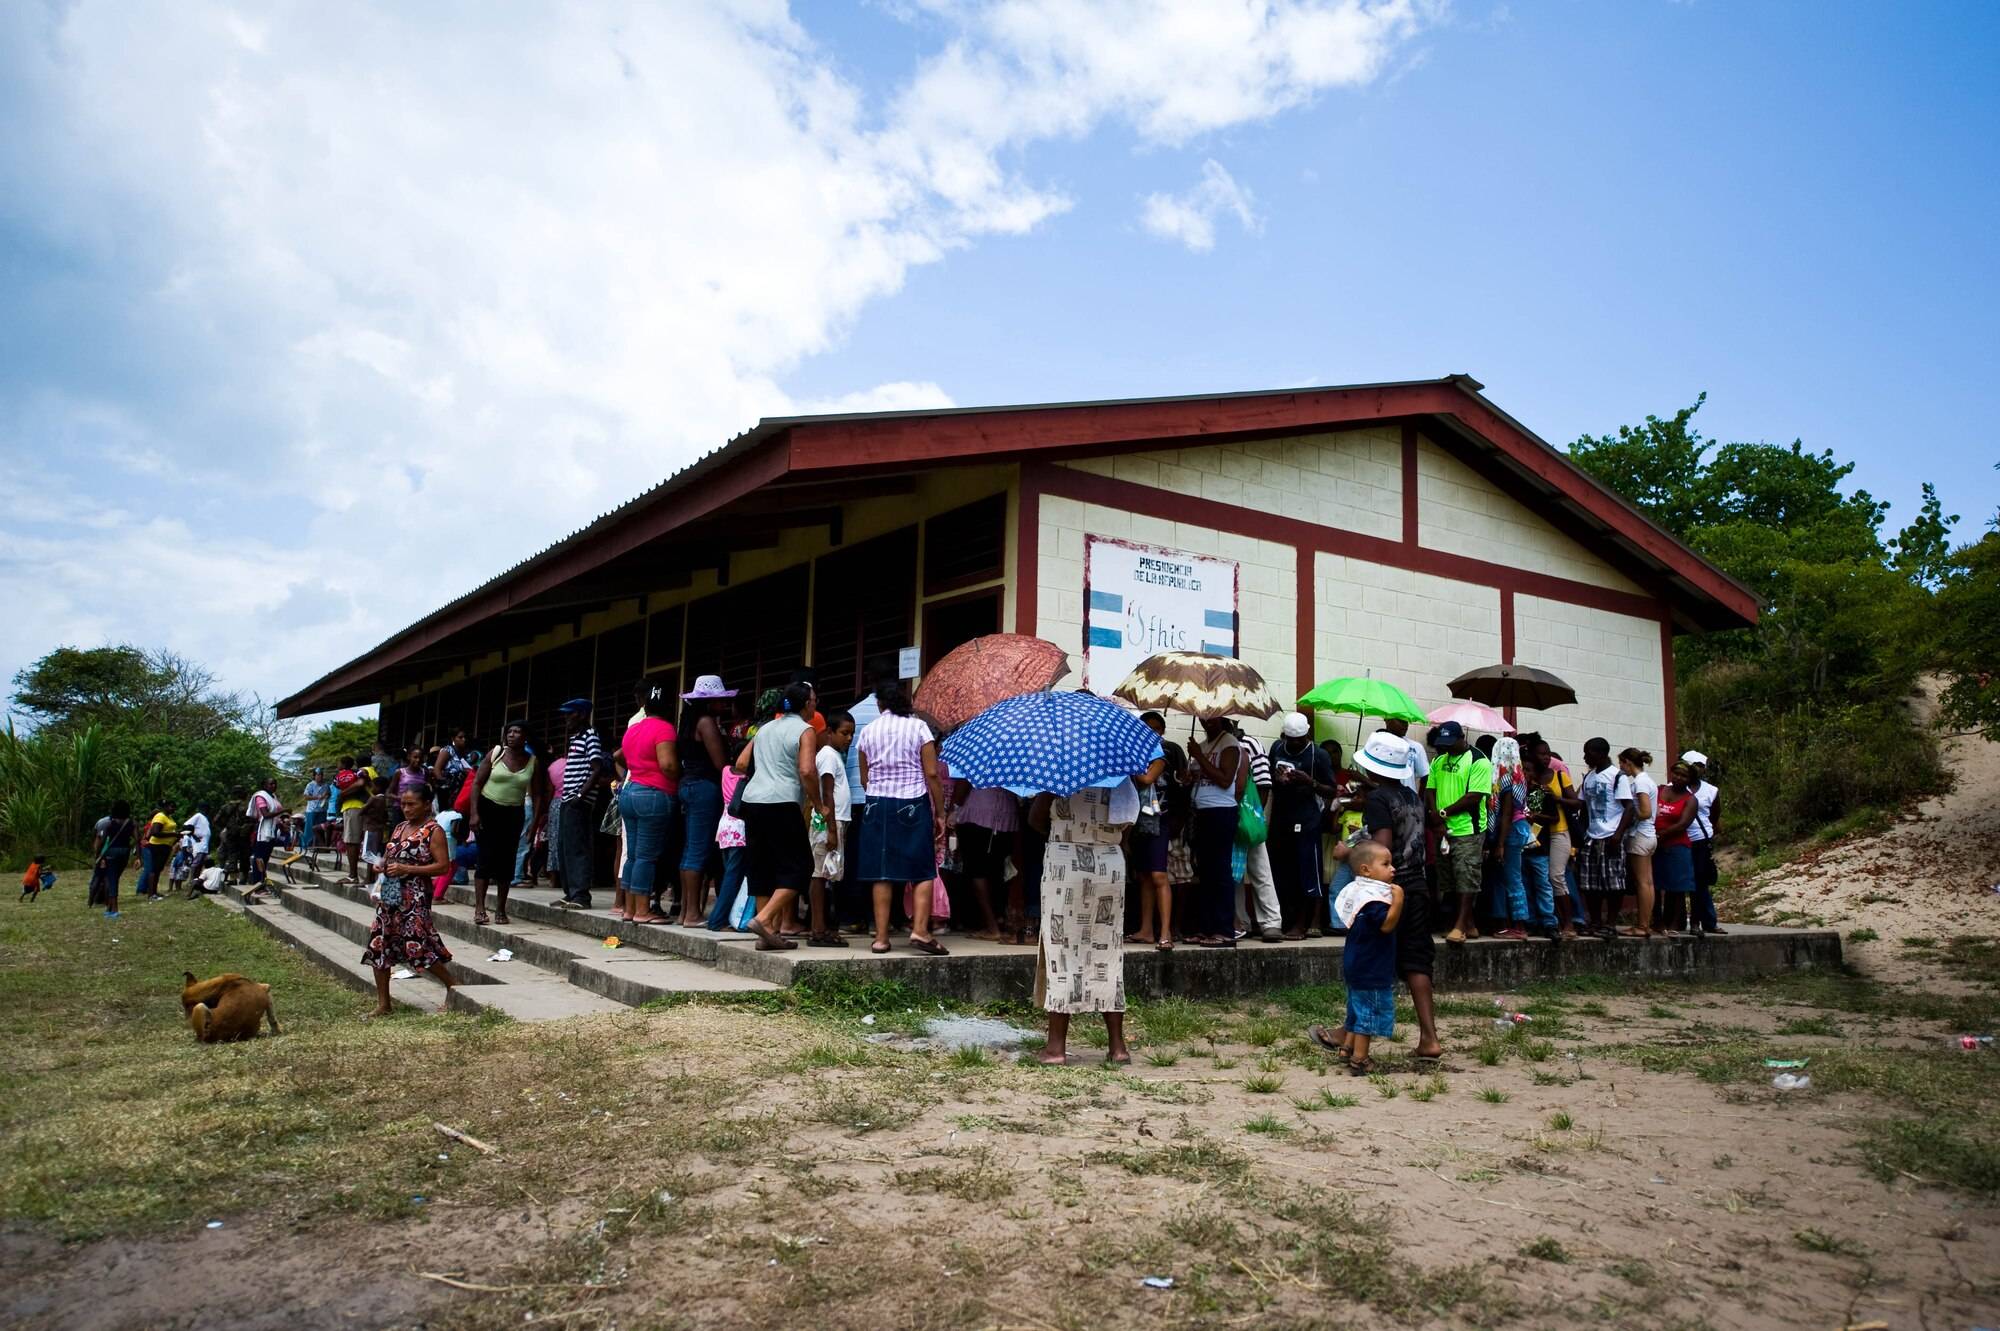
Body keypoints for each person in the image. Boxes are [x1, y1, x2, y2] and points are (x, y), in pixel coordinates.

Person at [1029, 751, 1164, 1067]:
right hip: (1108, 863)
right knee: (1107, 952)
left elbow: (1035, 820)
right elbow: (1128, 819)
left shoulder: (1057, 770)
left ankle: (1056, 1048)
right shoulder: (1119, 774)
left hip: (1066, 861)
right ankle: (1117, 1047)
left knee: (1062, 951)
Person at [1351, 731, 1442, 1063]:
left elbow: (1383, 845)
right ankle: (1429, 1038)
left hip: (1388, 891)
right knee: (1417, 960)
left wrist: (1354, 849)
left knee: (1367, 963)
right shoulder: (1411, 796)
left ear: (1374, 770)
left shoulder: (1378, 801)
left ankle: (1350, 1036)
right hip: (1417, 886)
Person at [854, 680, 947, 955]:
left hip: (876, 803)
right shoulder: (918, 727)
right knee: (922, 870)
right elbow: (931, 773)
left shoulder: (868, 731)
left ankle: (881, 938)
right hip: (911, 802)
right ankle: (920, 930)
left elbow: (863, 777)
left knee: (882, 872)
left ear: (880, 704)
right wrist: (941, 813)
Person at [734, 681, 821, 951]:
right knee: (801, 866)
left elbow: (740, 763)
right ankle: (763, 918)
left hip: (753, 801)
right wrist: (818, 802)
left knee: (761, 866)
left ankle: (767, 934)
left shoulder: (765, 728)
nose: (815, 704)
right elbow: (807, 770)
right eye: (814, 700)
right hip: (782, 801)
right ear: (807, 704)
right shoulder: (806, 730)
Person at [360, 782, 458, 1017]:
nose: (406, 808)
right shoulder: (400, 827)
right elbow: (389, 856)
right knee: (379, 945)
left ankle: (455, 987)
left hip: (414, 897)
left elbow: (443, 866)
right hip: (391, 894)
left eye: (411, 804)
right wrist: (381, 865)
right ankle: (384, 1004)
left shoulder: (433, 831)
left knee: (418, 945)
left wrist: (408, 868)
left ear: (426, 805)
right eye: (403, 804)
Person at [1309, 840, 1403, 1075]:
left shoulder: (1360, 891)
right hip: (1372, 966)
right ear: (1365, 870)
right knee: (1368, 1013)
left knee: (1356, 1007)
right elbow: (1386, 925)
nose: (1393, 869)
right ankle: (1360, 1058)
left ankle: (1347, 1048)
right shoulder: (1375, 899)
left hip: (1356, 962)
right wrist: (1399, 901)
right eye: (1386, 864)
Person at [614, 684, 681, 925]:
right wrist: (679, 777)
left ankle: (629, 909)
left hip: (629, 792)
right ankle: (643, 911)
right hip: (653, 794)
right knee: (646, 857)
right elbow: (668, 765)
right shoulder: (664, 728)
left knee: (632, 855)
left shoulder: (634, 728)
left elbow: (618, 756)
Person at [1266, 712, 1336, 939]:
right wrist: (1278, 779)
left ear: (1308, 734)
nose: (1294, 744)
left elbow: (1331, 789)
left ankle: (1306, 922)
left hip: (1307, 819)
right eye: (1290, 739)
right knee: (1282, 871)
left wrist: (1310, 782)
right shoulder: (1277, 748)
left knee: (1307, 871)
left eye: (1299, 739)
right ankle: (1284, 919)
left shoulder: (1319, 754)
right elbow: (1268, 778)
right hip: (1281, 818)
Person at [469, 722, 547, 925]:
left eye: (517, 732)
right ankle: (480, 908)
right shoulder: (496, 753)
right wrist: (474, 813)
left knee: (507, 861)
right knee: (485, 858)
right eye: (509, 732)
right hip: (488, 810)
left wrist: (535, 823)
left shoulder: (533, 762)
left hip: (514, 813)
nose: (512, 735)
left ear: (526, 737)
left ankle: (501, 910)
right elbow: (477, 783)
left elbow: (538, 794)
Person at [675, 675, 736, 927]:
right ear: (710, 701)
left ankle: (685, 912)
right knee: (697, 850)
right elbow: (720, 763)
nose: (723, 704)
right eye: (719, 700)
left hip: (688, 784)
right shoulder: (706, 723)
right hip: (704, 787)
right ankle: (692, 914)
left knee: (690, 848)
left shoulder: (687, 723)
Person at [1426, 721, 1492, 945]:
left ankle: (1460, 925)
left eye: (1450, 743)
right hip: (1442, 828)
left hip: (1468, 829)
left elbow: (1474, 796)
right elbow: (1430, 789)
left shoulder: (1479, 761)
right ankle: (1469, 924)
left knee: (1467, 876)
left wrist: (1443, 813)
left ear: (1462, 738)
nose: (1446, 748)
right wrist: (1435, 817)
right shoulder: (1438, 760)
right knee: (1449, 878)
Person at [1486, 737, 1553, 940]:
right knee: (1504, 877)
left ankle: (1519, 925)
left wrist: (1499, 844)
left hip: (1511, 831)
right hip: (1516, 830)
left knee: (1513, 879)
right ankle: (1505, 923)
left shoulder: (1505, 778)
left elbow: (1506, 814)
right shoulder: (1519, 777)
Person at [1186, 716, 1243, 947]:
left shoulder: (1229, 743)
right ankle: (1206, 928)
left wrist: (1199, 756)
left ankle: (1224, 930)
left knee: (1220, 871)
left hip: (1221, 811)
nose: (1207, 722)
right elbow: (1201, 775)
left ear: (1221, 718)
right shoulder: (1204, 744)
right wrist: (1189, 773)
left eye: (1212, 719)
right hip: (1202, 810)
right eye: (1204, 718)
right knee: (1205, 872)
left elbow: (1224, 779)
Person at [1521, 734, 1581, 940]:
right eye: (1542, 754)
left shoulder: (1558, 776)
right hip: (1537, 837)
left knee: (1556, 877)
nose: (1546, 758)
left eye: (1548, 754)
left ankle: (1569, 923)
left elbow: (1577, 803)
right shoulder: (1530, 780)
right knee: (1539, 878)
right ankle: (1543, 920)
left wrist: (1557, 798)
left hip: (1559, 832)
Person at [1125, 711, 1176, 950]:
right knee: (1144, 875)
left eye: (1156, 729)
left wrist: (1130, 763)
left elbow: (1147, 779)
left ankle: (1165, 932)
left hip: (1158, 820)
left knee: (1158, 875)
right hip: (1138, 819)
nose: (1151, 733)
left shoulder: (1161, 754)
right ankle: (1146, 929)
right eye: (1146, 728)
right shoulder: (1137, 752)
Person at [552, 698, 609, 910]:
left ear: (583, 715)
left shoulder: (590, 736)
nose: (566, 718)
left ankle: (581, 896)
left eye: (571, 714)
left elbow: (596, 768)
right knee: (565, 847)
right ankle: (569, 893)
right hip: (568, 800)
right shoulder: (575, 738)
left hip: (579, 801)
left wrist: (580, 795)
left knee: (578, 848)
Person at [1576, 738, 1636, 938]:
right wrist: (1582, 832)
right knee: (1590, 883)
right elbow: (1584, 806)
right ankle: (1595, 921)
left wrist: (1618, 834)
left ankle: (1610, 923)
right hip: (1592, 836)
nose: (1585, 757)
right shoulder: (1589, 778)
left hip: (1611, 836)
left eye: (1588, 753)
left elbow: (1629, 807)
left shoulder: (1617, 777)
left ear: (1600, 753)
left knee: (1612, 883)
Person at [1231, 724, 1284, 943]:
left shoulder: (1250, 744)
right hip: (1222, 816)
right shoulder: (1207, 746)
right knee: (1232, 873)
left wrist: (1255, 817)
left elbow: (1264, 784)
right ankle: (1240, 922)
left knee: (1260, 869)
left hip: (1247, 816)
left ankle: (1271, 922)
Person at [807, 710, 855, 945]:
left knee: (829, 874)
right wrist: (832, 830)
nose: (849, 739)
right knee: (819, 874)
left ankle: (824, 926)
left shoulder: (835, 755)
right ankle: (817, 929)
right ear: (830, 732)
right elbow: (827, 793)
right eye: (844, 733)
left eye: (851, 734)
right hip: (829, 822)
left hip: (836, 821)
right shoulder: (827, 755)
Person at [1652, 762, 1702, 935]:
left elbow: (1682, 825)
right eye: (1676, 774)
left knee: (1677, 887)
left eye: (1684, 776)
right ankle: (1657, 921)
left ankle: (1674, 924)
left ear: (1690, 780)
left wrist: (1661, 835)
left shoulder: (1691, 800)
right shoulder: (1659, 790)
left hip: (1676, 846)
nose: (1679, 778)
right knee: (1655, 885)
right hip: (1654, 846)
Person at [1682, 750, 1725, 934]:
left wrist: (1709, 834)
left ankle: (1708, 921)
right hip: (1681, 839)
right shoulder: (1673, 787)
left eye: (1701, 767)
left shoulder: (1711, 791)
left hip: (1701, 840)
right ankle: (1679, 920)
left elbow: (1715, 815)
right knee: (1680, 882)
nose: (1698, 770)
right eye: (1695, 766)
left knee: (1701, 882)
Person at [1619, 748, 1659, 938]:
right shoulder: (1648, 779)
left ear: (1627, 762)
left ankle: (1643, 925)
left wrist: (1629, 813)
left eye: (1622, 763)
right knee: (1648, 882)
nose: (1621, 768)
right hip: (1649, 836)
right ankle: (1645, 923)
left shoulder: (1640, 782)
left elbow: (1645, 811)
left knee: (1642, 882)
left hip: (1640, 835)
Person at [90, 801, 137, 917]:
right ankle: (109, 906)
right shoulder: (131, 823)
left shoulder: (109, 824)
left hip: (111, 852)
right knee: (115, 878)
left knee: (111, 879)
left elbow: (101, 840)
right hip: (125, 852)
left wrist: (98, 856)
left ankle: (113, 908)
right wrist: (138, 857)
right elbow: (138, 840)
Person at [243, 781, 285, 905]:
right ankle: (258, 884)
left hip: (272, 831)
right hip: (263, 831)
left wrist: (281, 825)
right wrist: (283, 811)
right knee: (259, 858)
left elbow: (275, 816)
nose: (274, 786)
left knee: (265, 859)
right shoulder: (260, 796)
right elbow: (265, 814)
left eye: (275, 784)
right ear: (264, 786)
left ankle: (262, 882)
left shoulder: (273, 797)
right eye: (271, 784)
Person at [335, 756, 369, 883]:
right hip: (354, 807)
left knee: (351, 842)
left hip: (353, 807)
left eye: (338, 762)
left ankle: (353, 876)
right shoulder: (354, 773)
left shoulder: (357, 772)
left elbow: (360, 783)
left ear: (343, 764)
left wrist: (342, 794)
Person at [135, 803, 177, 901]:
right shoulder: (159, 818)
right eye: (172, 806)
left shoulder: (168, 818)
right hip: (155, 847)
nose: (173, 809)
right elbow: (153, 833)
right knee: (151, 870)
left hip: (164, 847)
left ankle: (153, 892)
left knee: (156, 870)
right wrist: (173, 834)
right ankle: (148, 892)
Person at [1380, 717, 1430, 796]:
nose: (1406, 725)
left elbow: (1425, 776)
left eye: (1406, 721)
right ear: (1387, 720)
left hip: (1408, 801)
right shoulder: (1378, 745)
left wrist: (1419, 800)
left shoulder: (1415, 747)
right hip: (1383, 798)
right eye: (1400, 720)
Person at [431, 730, 474, 811]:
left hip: (460, 791)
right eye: (460, 737)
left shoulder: (466, 754)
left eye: (465, 737)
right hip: (448, 792)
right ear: (453, 739)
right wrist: (444, 784)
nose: (464, 739)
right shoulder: (448, 750)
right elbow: (437, 769)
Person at [301, 769, 330, 862]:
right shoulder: (310, 785)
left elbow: (329, 794)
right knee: (310, 828)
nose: (320, 776)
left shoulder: (326, 785)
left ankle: (318, 845)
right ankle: (307, 845)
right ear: (314, 776)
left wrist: (326, 796)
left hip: (322, 809)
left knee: (320, 828)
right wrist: (317, 797)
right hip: (312, 810)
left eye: (321, 774)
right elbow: (306, 796)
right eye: (318, 775)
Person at [183, 804, 213, 876]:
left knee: (200, 864)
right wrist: (194, 836)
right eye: (208, 809)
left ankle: (195, 880)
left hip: (204, 846)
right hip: (199, 845)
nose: (209, 811)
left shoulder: (206, 818)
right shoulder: (198, 815)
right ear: (204, 809)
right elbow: (186, 825)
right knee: (196, 863)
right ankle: (191, 879)